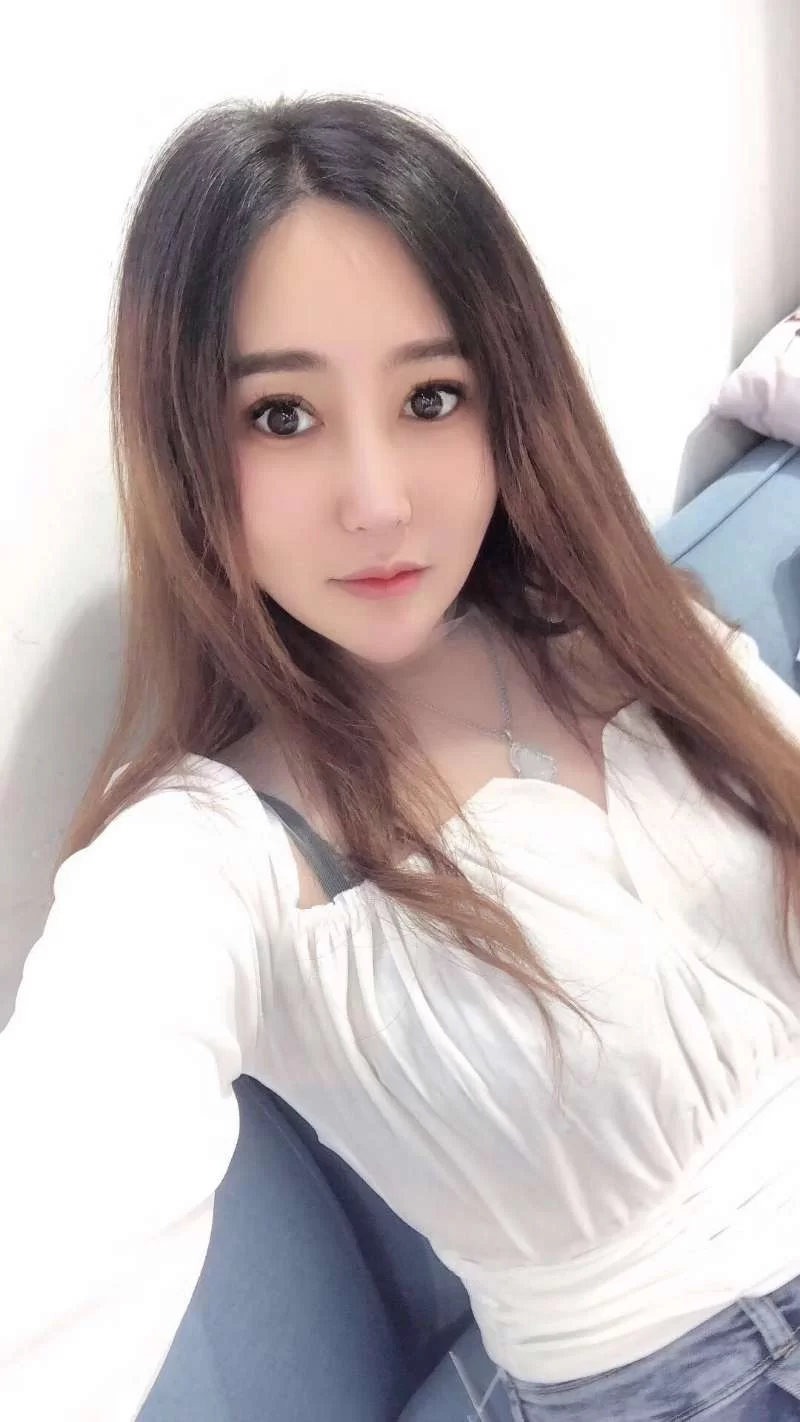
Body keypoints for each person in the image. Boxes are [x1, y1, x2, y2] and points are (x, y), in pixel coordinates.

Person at [2, 92, 800, 1422]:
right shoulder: (209, 857)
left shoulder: (639, 635)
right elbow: (55, 1220)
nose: (377, 499)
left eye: (431, 397)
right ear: (187, 446)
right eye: (281, 416)